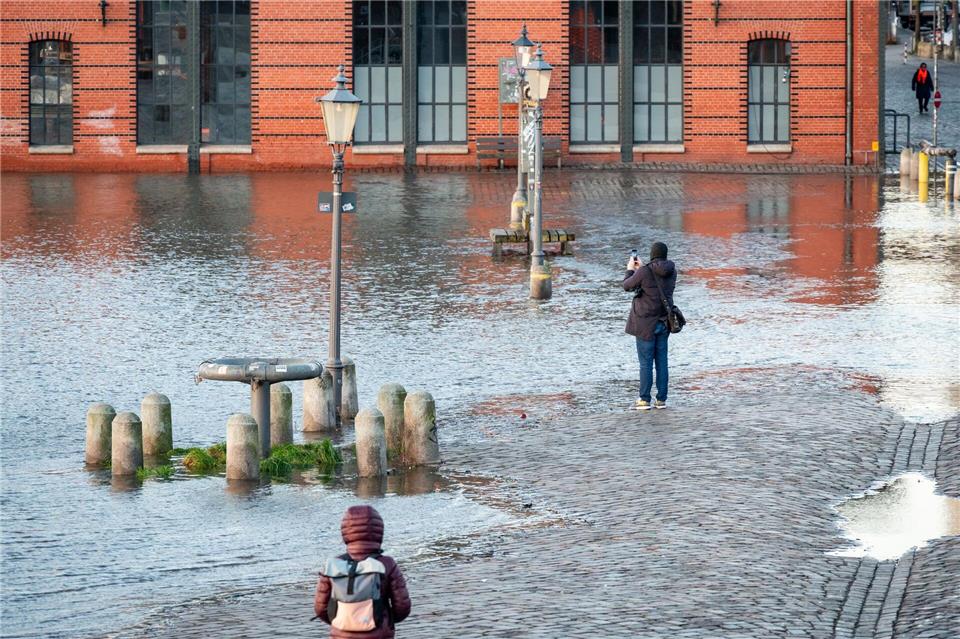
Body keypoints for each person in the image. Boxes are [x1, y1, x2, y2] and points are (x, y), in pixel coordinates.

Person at [314, 505, 411, 638]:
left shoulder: (333, 565)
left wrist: (340, 622)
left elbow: (320, 609)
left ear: (345, 531)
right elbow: (402, 607)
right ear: (379, 532)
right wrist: (386, 621)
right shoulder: (387, 564)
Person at [622, 241, 677, 410]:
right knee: (662, 362)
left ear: (652, 255)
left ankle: (644, 400)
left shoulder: (645, 271)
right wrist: (644, 268)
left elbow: (627, 285)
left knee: (646, 363)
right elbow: (654, 278)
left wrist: (631, 269)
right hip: (664, 322)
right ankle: (661, 400)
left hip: (646, 324)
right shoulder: (672, 271)